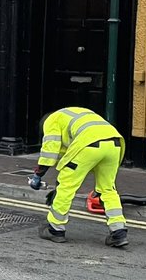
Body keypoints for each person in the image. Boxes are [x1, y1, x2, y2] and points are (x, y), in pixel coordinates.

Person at [28, 106, 129, 248]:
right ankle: (119, 233)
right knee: (108, 189)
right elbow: (66, 151)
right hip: (115, 144)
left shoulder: (51, 121)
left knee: (66, 187)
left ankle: (55, 230)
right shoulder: (75, 113)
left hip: (88, 144)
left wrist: (39, 173)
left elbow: (50, 150)